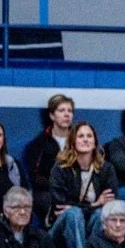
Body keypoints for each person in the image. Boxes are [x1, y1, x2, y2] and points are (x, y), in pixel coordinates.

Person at [48, 122, 118, 248]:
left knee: (102, 214)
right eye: (80, 136)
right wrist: (94, 204)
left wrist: (94, 206)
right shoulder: (60, 169)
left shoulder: (106, 169)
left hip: (91, 225)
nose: (85, 140)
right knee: (74, 214)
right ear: (72, 141)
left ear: (95, 142)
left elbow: (110, 201)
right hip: (62, 228)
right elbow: (61, 205)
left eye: (89, 136)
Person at [25, 94, 75, 224]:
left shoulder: (81, 140)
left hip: (76, 193)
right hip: (49, 193)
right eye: (61, 110)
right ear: (52, 116)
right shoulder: (39, 144)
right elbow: (35, 177)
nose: (66, 114)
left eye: (69, 111)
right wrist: (57, 187)